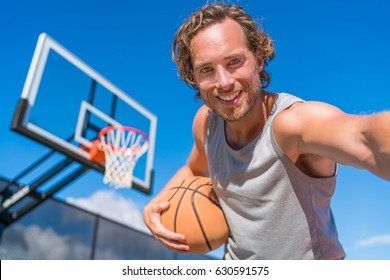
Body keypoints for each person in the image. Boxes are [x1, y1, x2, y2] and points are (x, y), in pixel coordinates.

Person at [143, 3, 390, 259]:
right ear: (194, 77)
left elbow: (366, 139)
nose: (224, 82)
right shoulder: (206, 123)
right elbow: (194, 169)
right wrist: (156, 203)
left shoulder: (291, 125)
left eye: (234, 61)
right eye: (207, 69)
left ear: (258, 60)